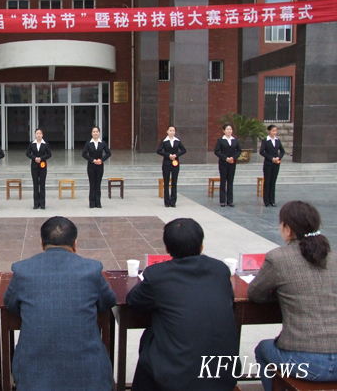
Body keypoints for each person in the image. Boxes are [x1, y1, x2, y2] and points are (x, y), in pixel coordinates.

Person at [4, 216, 117, 391]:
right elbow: (109, 301)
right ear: (75, 244)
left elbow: (10, 303)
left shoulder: (23, 270)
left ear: (42, 244)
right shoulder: (91, 270)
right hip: (89, 376)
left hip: (34, 376)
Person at [126, 218, 240, 391]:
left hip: (178, 379)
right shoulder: (220, 269)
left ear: (167, 248)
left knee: (151, 338)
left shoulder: (157, 275)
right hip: (224, 375)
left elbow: (133, 301)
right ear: (201, 246)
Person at [248, 201, 337, 391]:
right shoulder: (334, 257)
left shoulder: (278, 258)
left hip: (305, 360)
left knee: (263, 349)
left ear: (287, 229)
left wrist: (282, 296)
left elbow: (255, 294)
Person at [156, 126, 186, 208]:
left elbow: (184, 150)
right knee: (166, 182)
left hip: (175, 163)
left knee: (174, 182)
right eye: (170, 130)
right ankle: (166, 201)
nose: (172, 132)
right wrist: (168, 155)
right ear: (167, 131)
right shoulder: (164, 141)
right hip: (166, 163)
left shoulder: (177, 141)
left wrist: (176, 155)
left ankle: (173, 201)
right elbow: (158, 151)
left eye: (173, 131)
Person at [82, 126, 111, 208]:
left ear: (99, 133)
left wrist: (101, 160)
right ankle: (92, 203)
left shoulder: (102, 143)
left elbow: (108, 153)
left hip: (100, 166)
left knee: (98, 184)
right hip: (91, 166)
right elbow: (84, 154)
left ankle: (98, 203)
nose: (95, 133)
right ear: (91, 133)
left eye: (97, 131)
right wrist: (92, 160)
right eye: (94, 132)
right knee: (92, 184)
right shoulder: (88, 143)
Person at [214, 124, 242, 207]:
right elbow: (216, 151)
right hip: (223, 163)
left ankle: (230, 201)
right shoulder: (220, 140)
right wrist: (225, 158)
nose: (229, 131)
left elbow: (239, 150)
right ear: (224, 131)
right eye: (227, 129)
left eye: (230, 129)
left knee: (230, 181)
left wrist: (233, 157)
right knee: (223, 181)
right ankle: (222, 201)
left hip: (232, 163)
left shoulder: (235, 140)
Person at [259, 124, 285, 207]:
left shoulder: (277, 140)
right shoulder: (265, 141)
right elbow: (262, 152)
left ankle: (272, 201)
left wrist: (278, 157)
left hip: (276, 164)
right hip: (268, 164)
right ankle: (266, 201)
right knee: (267, 181)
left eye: (276, 131)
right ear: (269, 131)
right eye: (273, 131)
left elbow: (282, 151)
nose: (275, 132)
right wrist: (271, 158)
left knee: (273, 182)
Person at [26, 128, 52, 210]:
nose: (38, 135)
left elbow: (49, 154)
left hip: (42, 166)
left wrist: (41, 158)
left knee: (42, 184)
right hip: (34, 166)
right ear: (35, 135)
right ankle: (36, 203)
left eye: (40, 133)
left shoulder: (46, 144)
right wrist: (34, 158)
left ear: (42, 135)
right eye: (37, 133)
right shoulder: (32, 144)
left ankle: (42, 203)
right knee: (35, 184)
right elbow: (28, 153)